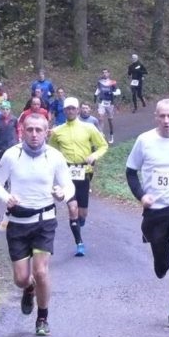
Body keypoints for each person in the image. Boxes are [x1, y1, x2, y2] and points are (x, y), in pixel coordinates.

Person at [0, 113, 74, 336]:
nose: (34, 134)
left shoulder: (55, 157)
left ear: (47, 132)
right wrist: (6, 197)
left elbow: (69, 185)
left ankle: (42, 318)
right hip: (17, 223)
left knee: (41, 272)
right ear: (22, 131)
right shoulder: (11, 155)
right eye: (30, 130)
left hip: (44, 221)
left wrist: (62, 193)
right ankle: (28, 289)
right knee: (20, 279)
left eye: (39, 130)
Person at [125, 99, 169, 329]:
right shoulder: (144, 141)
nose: (166, 120)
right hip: (155, 212)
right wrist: (141, 196)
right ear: (156, 117)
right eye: (162, 116)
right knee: (162, 266)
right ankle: (160, 259)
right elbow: (131, 172)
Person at [48, 97, 108, 257]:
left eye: (73, 108)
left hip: (83, 172)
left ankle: (79, 222)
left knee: (82, 213)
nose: (70, 111)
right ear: (64, 111)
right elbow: (50, 151)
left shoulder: (89, 128)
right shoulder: (57, 131)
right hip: (66, 174)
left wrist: (94, 155)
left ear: (78, 110)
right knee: (72, 208)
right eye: (68, 108)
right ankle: (79, 243)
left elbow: (103, 146)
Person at [94, 68, 121, 143]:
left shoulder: (113, 82)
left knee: (110, 121)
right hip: (101, 102)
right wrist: (95, 95)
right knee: (100, 117)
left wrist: (112, 93)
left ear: (109, 74)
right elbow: (98, 89)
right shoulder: (100, 82)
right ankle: (101, 135)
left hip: (110, 103)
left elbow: (118, 91)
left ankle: (111, 135)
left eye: (106, 73)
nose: (104, 74)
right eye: (103, 73)